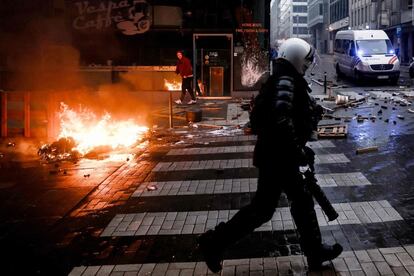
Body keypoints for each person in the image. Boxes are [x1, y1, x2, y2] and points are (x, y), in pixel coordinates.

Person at [198, 38, 343, 273]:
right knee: (271, 207)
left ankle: (315, 252)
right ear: (296, 58)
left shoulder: (284, 77)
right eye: (305, 62)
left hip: (277, 154)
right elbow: (281, 117)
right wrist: (298, 149)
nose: (306, 67)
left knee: (287, 204)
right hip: (280, 156)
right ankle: (213, 242)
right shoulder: (286, 80)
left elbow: (287, 116)